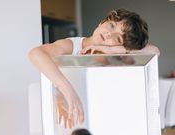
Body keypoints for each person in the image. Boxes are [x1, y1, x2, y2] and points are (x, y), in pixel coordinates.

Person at [29, 8, 160, 128]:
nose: (110, 34)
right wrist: (67, 91)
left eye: (118, 38)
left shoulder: (114, 55)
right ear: (102, 22)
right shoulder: (72, 46)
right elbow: (35, 53)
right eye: (112, 25)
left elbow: (155, 51)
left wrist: (111, 50)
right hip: (65, 113)